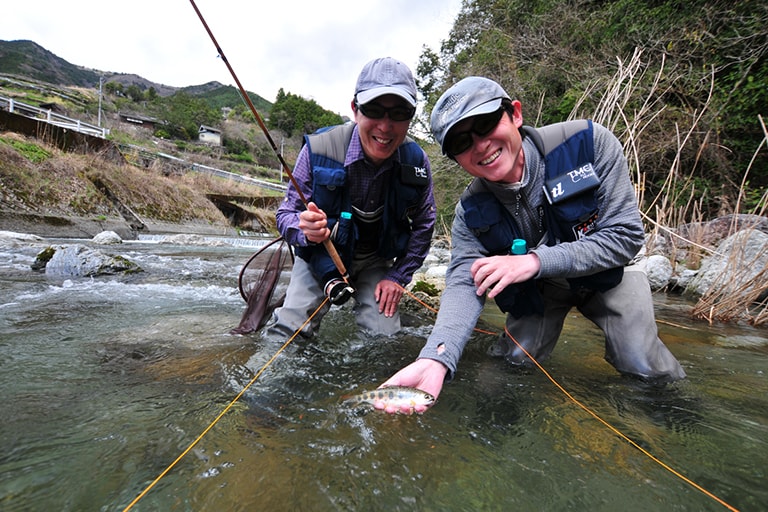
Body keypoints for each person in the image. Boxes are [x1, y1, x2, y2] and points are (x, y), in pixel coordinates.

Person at [375, 76, 686, 414]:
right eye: (462, 141)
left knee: (646, 368)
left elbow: (625, 237)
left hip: (608, 275)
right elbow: (465, 282)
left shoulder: (589, 144)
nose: (479, 145)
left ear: (516, 115)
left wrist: (534, 261)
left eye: (485, 123)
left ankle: (683, 424)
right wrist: (437, 357)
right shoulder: (469, 211)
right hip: (540, 292)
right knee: (506, 370)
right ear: (455, 159)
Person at [264, 57, 436, 339]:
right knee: (288, 334)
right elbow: (285, 215)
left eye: (399, 113)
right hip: (320, 255)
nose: (385, 125)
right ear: (356, 110)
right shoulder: (320, 149)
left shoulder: (416, 162)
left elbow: (424, 224)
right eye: (374, 110)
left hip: (376, 261)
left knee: (383, 338)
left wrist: (398, 277)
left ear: (411, 116)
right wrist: (303, 229)